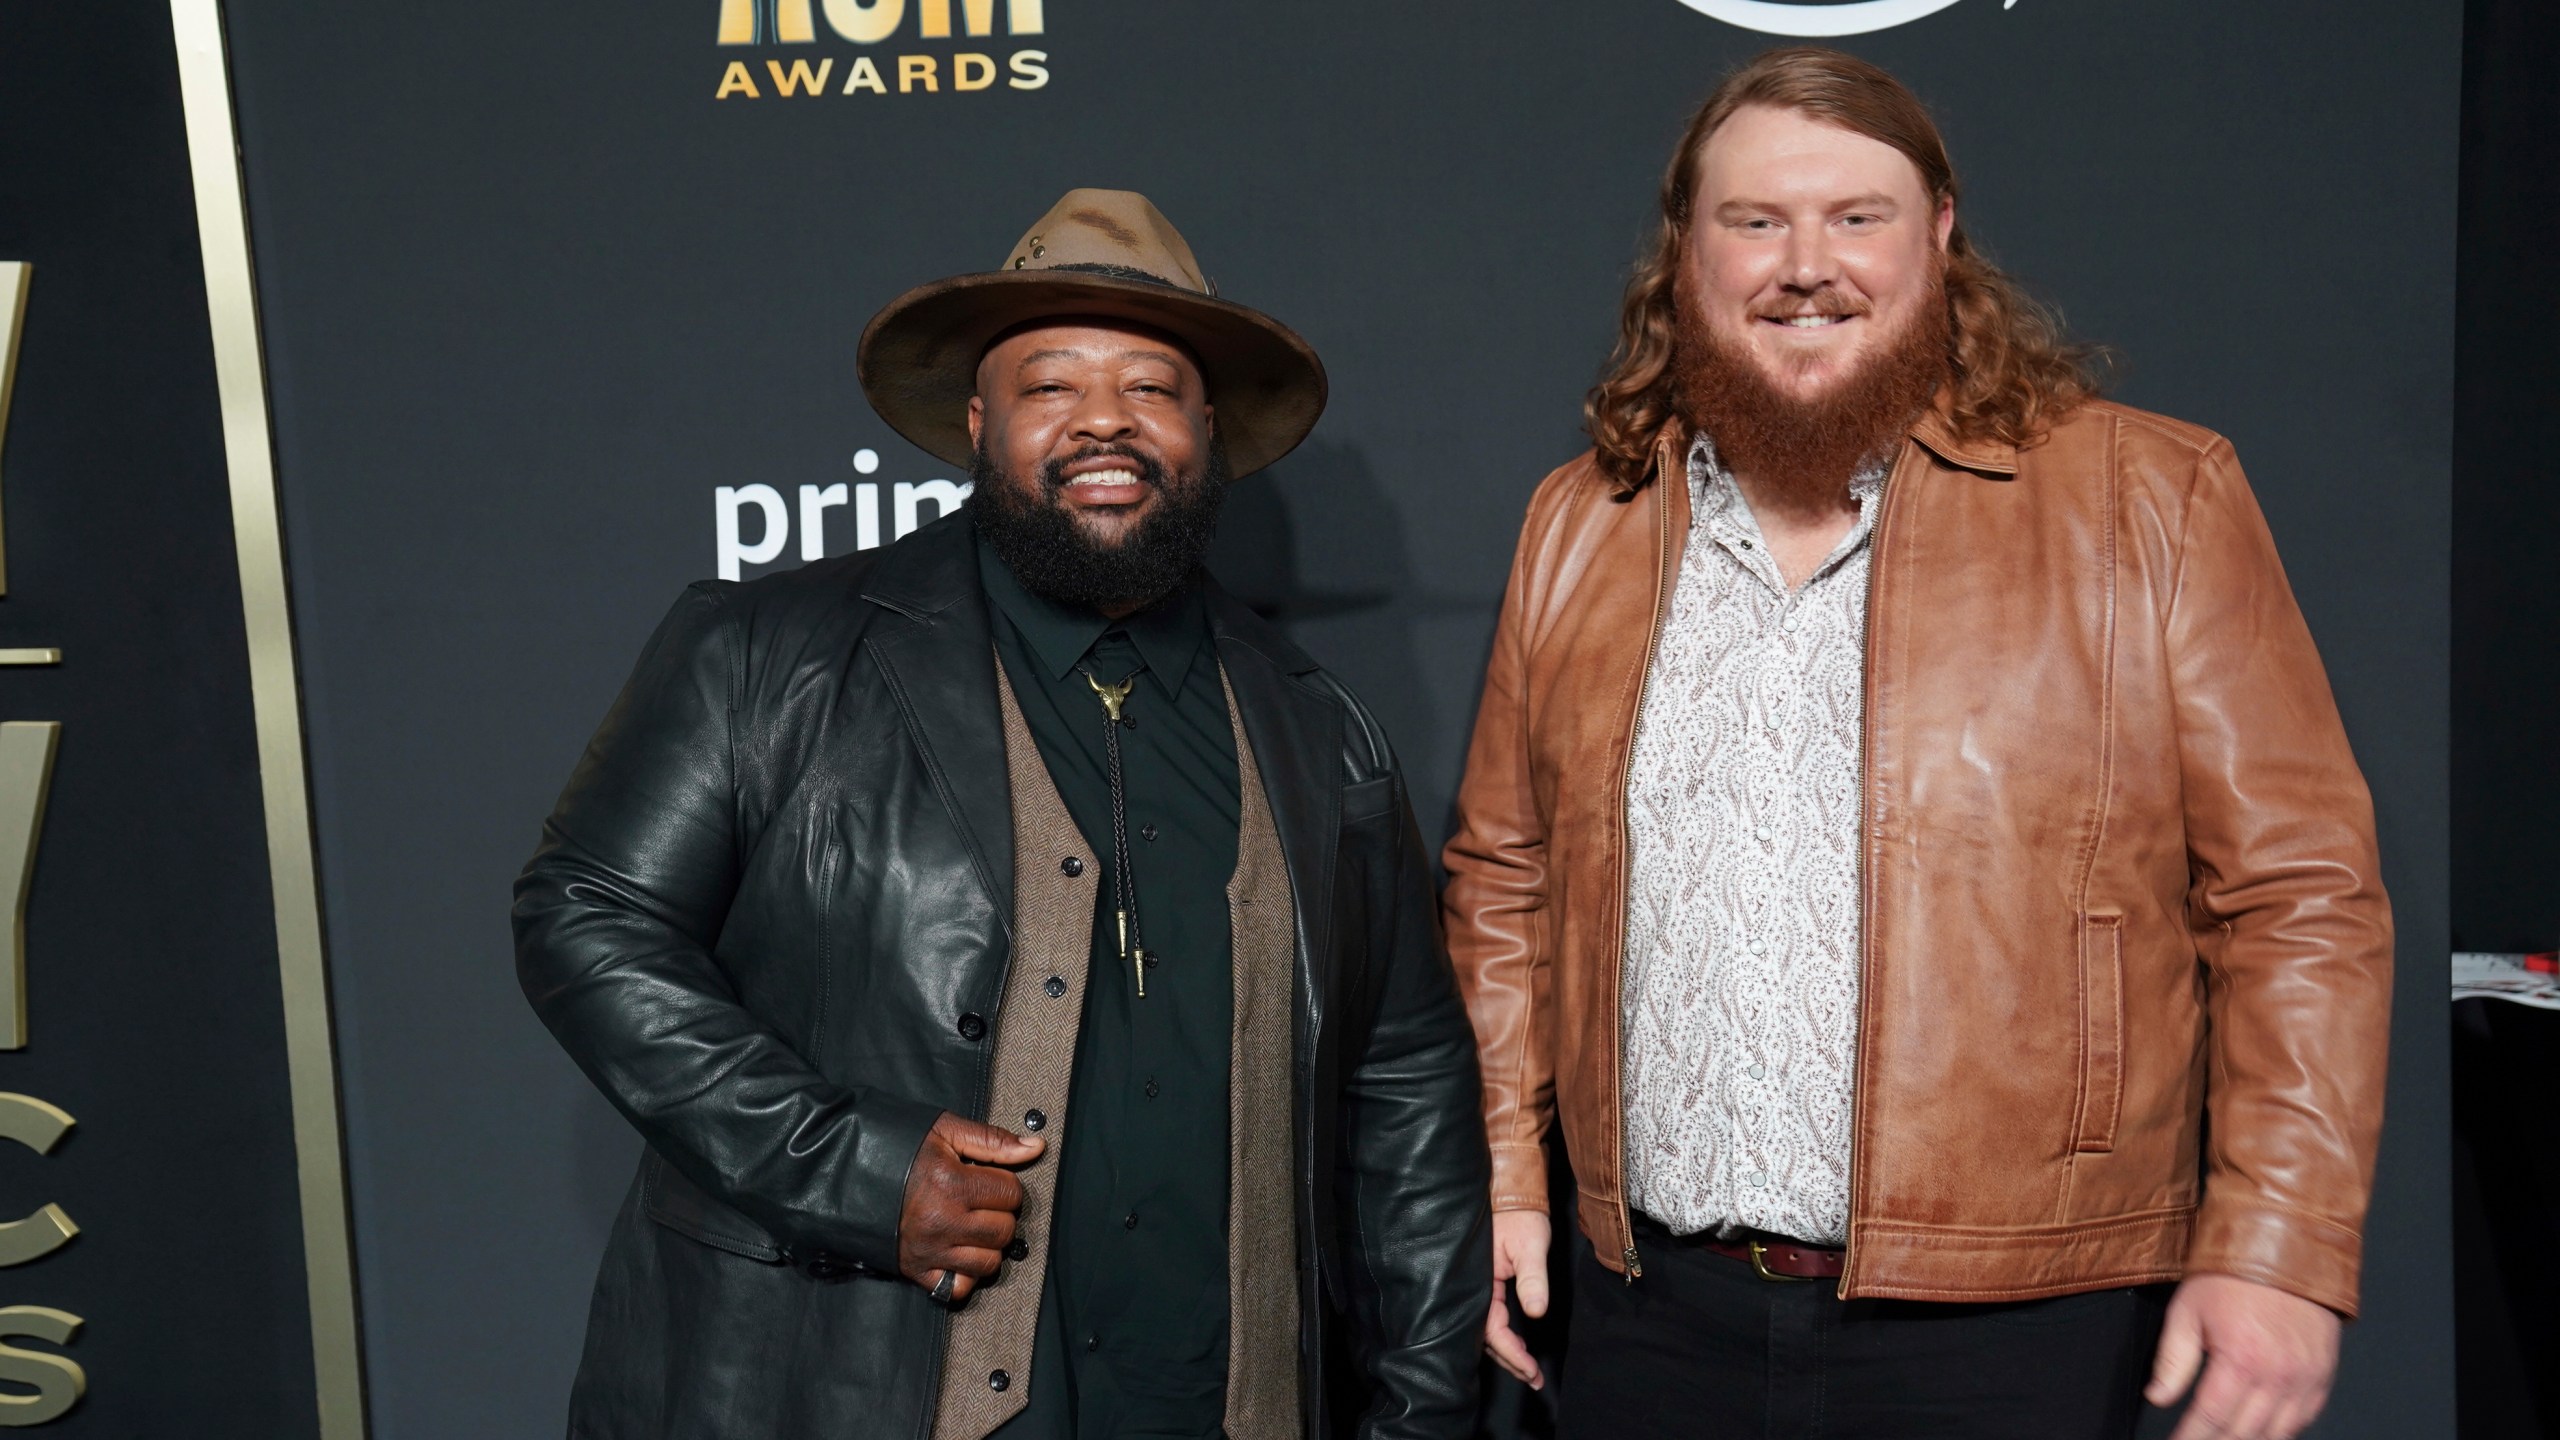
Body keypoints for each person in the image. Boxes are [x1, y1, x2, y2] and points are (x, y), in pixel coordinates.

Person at [1442, 48, 2392, 1440]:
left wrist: (2283, 1246)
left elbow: (2298, 896)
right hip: (1645, 1320)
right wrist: (1505, 1176)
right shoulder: (1582, 519)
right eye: (1755, 220)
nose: (1805, 264)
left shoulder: (2151, 500)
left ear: (1940, 234)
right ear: (1687, 252)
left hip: (2018, 1330)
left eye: (1857, 217)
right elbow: (1505, 882)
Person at [516, 189, 1488, 1440]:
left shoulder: (1317, 727)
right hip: (845, 1390)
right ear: (979, 423)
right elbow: (586, 915)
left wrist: (1421, 1411)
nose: (1103, 422)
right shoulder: (768, 652)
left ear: (1211, 432)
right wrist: (847, 1166)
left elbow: (1402, 1075)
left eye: (1149, 387)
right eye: (1049, 387)